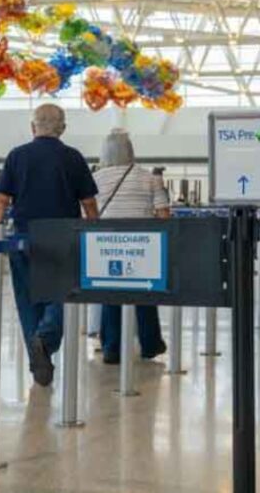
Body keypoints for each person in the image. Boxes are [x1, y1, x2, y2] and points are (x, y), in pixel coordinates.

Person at [0, 104, 99, 386]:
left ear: (33, 127)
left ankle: (37, 358)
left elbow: (1, 200)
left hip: (22, 239)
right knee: (61, 294)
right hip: (64, 237)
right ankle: (46, 339)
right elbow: (88, 203)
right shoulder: (73, 157)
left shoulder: (16, 155)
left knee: (28, 300)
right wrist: (95, 233)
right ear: (62, 128)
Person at [93, 129, 170, 364]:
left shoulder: (96, 179)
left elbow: (88, 214)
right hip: (142, 244)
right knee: (145, 293)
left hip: (106, 245)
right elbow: (164, 215)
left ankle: (111, 348)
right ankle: (150, 344)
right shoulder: (150, 178)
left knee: (110, 293)